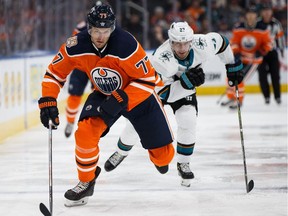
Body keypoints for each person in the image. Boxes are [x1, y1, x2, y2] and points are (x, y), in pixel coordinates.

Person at [38, 4, 175, 207]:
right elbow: (54, 73)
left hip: (139, 96)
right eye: (96, 31)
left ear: (112, 28)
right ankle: (86, 181)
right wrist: (48, 100)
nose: (101, 36)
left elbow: (148, 80)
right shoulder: (75, 45)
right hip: (104, 94)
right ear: (89, 28)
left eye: (105, 31)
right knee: (84, 134)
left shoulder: (126, 44)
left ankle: (146, 144)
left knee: (163, 159)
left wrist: (120, 99)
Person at [104, 21, 245, 187]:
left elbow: (221, 42)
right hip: (158, 90)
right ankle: (121, 152)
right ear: (170, 42)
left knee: (188, 120)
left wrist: (230, 64)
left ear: (191, 41)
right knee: (137, 125)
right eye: (177, 43)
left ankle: (183, 163)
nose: (182, 48)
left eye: (185, 43)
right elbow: (159, 92)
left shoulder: (203, 44)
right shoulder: (160, 60)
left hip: (184, 89)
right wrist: (184, 83)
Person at [220, 6, 272, 109]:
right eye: (249, 13)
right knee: (230, 76)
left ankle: (239, 101)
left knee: (240, 79)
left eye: (253, 14)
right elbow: (233, 42)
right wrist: (236, 52)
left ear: (257, 16)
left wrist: (261, 51)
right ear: (245, 16)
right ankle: (231, 97)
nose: (251, 16)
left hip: (254, 61)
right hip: (241, 59)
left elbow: (269, 43)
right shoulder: (239, 27)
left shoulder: (263, 28)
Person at [64, 20, 92, 138]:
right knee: (74, 95)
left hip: (99, 65)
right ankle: (70, 121)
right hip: (80, 66)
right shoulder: (81, 27)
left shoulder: (112, 27)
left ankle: (93, 125)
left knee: (99, 95)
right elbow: (71, 43)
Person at [257, 3, 285, 104]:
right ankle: (266, 97)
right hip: (260, 53)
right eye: (264, 11)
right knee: (262, 76)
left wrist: (282, 51)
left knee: (275, 75)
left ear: (271, 12)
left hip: (272, 53)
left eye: (268, 11)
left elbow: (280, 38)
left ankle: (277, 97)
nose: (267, 13)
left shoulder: (276, 24)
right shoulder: (257, 24)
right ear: (261, 12)